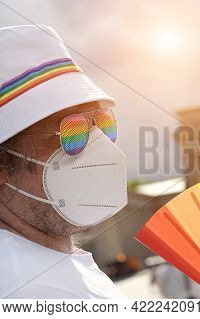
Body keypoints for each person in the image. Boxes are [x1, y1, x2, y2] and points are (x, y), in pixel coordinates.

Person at [0, 25, 128, 298]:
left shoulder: (46, 263)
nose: (100, 145)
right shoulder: (31, 289)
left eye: (103, 122)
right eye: (73, 131)